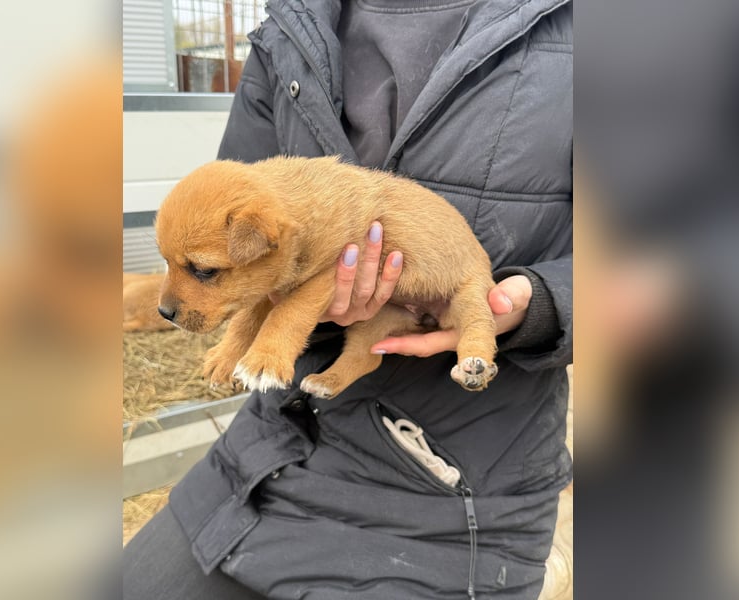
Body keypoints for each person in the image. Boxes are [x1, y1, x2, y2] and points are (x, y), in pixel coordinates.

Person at [123, 0, 572, 598]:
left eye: (197, 272)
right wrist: (234, 336)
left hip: (457, 493)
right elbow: (252, 239)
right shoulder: (288, 22)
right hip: (270, 453)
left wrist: (535, 302)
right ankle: (343, 368)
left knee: (466, 301)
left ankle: (475, 347)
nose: (171, 298)